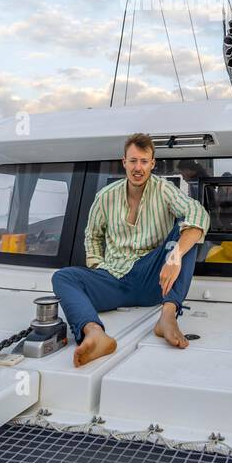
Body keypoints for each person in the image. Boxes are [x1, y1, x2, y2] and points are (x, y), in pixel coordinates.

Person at [52, 133, 211, 368]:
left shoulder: (164, 190)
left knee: (185, 231)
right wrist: (98, 267)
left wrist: (175, 257)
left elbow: (198, 214)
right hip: (114, 279)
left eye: (144, 161)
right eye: (134, 161)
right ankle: (94, 333)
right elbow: (92, 236)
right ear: (124, 162)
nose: (139, 167)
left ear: (152, 163)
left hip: (155, 280)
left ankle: (167, 317)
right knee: (63, 277)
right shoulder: (105, 196)